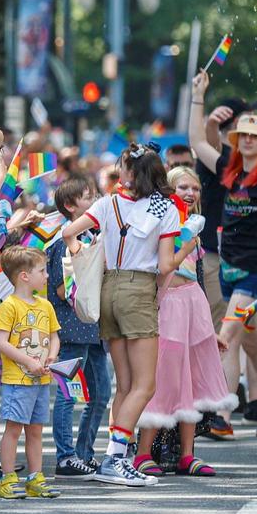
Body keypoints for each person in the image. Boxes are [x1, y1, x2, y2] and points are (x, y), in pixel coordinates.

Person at [188, 71, 257, 437]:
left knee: (226, 336)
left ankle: (220, 415)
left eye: (255, 137)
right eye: (244, 135)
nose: (248, 141)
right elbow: (195, 141)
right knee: (252, 344)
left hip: (252, 273)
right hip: (227, 270)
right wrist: (198, 97)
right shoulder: (229, 173)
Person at [63, 142, 178, 486]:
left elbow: (68, 232)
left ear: (131, 173)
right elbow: (167, 263)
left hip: (108, 289)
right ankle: (115, 458)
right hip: (138, 290)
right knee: (145, 384)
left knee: (125, 384)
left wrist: (83, 256)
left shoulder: (106, 203)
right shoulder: (165, 209)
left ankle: (114, 456)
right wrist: (190, 241)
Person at [135, 166, 234, 477]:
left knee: (191, 379)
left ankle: (187, 455)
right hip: (168, 305)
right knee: (162, 376)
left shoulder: (196, 226)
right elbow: (158, 270)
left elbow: (199, 276)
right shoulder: (161, 224)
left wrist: (211, 330)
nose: (190, 193)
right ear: (169, 191)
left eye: (195, 188)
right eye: (183, 188)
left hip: (195, 307)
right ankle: (142, 453)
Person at [47, 176, 111, 478]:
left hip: (95, 328)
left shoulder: (96, 237)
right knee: (67, 393)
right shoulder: (64, 243)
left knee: (101, 393)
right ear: (71, 207)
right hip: (72, 328)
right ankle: (65, 455)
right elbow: (61, 290)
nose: (96, 199)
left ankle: (84, 452)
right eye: (89, 196)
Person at [0, 246, 61, 500]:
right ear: (24, 276)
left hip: (41, 380)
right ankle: (7, 478)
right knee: (13, 429)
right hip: (18, 381)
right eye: (41, 271)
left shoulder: (45, 306)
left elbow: (54, 336)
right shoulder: (8, 307)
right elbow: (2, 342)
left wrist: (51, 355)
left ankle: (35, 477)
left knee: (35, 430)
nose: (46, 276)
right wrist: (28, 362)